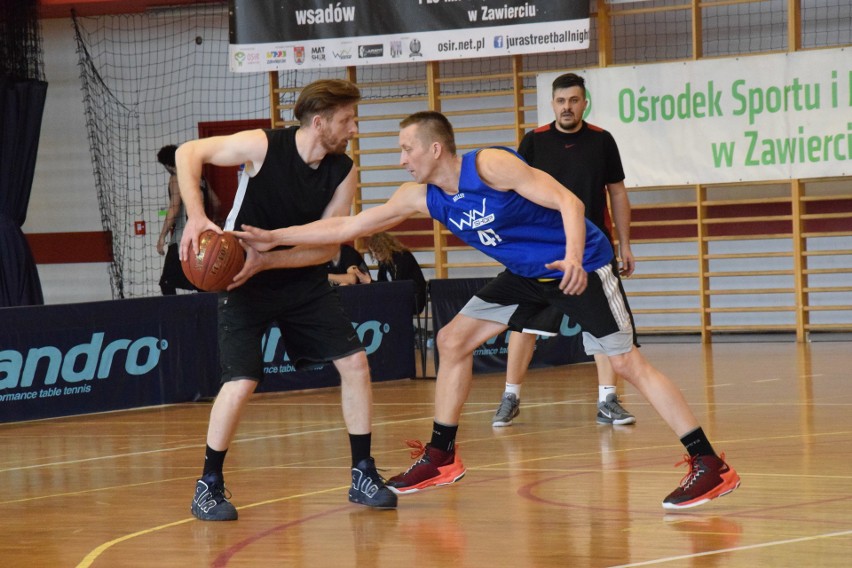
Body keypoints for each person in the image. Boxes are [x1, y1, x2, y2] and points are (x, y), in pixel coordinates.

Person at [233, 111, 741, 511]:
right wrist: (275, 239)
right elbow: (346, 227)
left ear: (435, 148)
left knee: (628, 364)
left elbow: (569, 202)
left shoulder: (490, 166)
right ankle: (440, 456)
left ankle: (709, 463)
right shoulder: (423, 196)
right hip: (526, 275)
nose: (402, 160)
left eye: (407, 149)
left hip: (579, 261)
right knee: (451, 341)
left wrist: (571, 255)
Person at [175, 79, 397, 521]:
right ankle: (208, 485)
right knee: (241, 380)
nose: (353, 128)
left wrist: (269, 261)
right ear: (320, 122)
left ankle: (362, 473)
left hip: (300, 279)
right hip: (240, 280)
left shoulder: (344, 169)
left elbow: (328, 246)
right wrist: (197, 216)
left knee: (355, 363)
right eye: (347, 120)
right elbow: (188, 152)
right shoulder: (263, 146)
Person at [493, 72, 638, 428]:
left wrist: (625, 243)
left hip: (592, 252)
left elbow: (617, 193)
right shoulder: (534, 142)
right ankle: (510, 396)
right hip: (544, 251)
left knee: (603, 327)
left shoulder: (602, 141)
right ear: (553, 104)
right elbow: (514, 193)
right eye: (561, 101)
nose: (567, 107)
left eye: (573, 100)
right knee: (524, 326)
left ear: (584, 102)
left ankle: (608, 400)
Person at [155, 144, 220, 295]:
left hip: (183, 237)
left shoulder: (176, 178)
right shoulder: (199, 177)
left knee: (167, 282)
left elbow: (174, 207)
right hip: (204, 236)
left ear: (169, 165)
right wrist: (215, 221)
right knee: (200, 279)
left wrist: (162, 236)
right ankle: (207, 314)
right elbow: (217, 203)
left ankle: (175, 317)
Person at [366, 232, 427, 314]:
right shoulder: (384, 262)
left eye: (377, 252)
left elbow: (397, 285)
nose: (374, 256)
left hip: (413, 298)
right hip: (399, 296)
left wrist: (370, 282)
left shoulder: (402, 257)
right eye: (372, 252)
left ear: (385, 248)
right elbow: (383, 284)